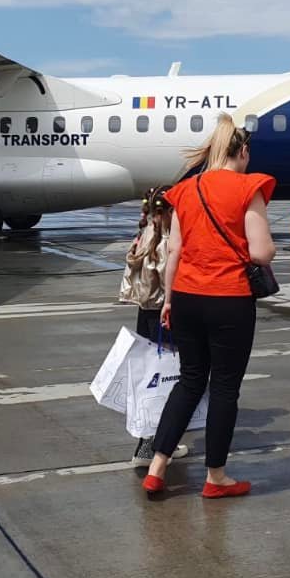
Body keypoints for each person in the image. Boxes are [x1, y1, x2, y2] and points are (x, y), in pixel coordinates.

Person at [142, 115, 276, 499]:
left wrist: (169, 300)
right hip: (229, 298)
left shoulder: (185, 190)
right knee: (224, 388)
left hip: (186, 296)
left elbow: (175, 251)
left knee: (189, 381)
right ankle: (216, 477)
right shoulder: (249, 187)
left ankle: (156, 467)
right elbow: (261, 252)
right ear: (243, 151)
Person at [120, 186, 175, 466]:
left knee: (153, 376)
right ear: (167, 212)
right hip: (162, 315)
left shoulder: (144, 234)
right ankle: (149, 446)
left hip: (145, 312)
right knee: (163, 378)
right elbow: (168, 279)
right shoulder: (164, 240)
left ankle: (158, 441)